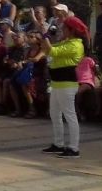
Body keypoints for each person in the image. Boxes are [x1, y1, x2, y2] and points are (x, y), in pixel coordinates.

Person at [40, 16, 87, 158]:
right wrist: (46, 37)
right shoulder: (65, 42)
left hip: (67, 84)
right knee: (55, 114)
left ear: (71, 30)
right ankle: (58, 144)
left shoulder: (75, 45)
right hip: (56, 83)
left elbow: (51, 51)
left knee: (70, 115)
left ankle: (74, 148)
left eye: (65, 28)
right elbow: (47, 49)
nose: (62, 30)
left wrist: (45, 34)